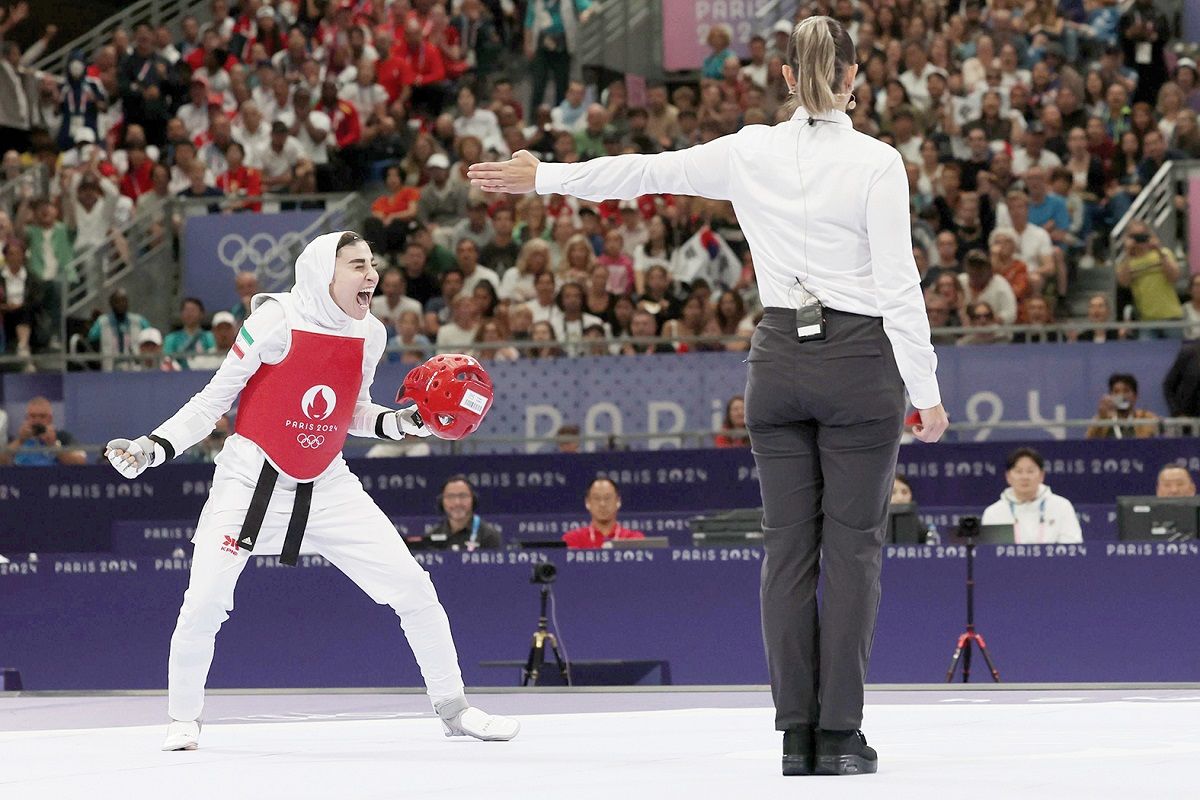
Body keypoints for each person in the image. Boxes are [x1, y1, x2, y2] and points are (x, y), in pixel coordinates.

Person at [470, 16, 948, 777]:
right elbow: (898, 283)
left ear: (785, 77)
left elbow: (643, 172)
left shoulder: (749, 151)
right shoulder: (877, 162)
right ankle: (838, 736)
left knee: (786, 551)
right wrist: (926, 390)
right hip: (860, 363)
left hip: (778, 359)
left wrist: (548, 176)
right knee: (852, 551)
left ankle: (795, 736)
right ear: (854, 77)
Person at [103, 232, 518, 751]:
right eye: (357, 265)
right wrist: (153, 447)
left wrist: (401, 423)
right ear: (324, 271)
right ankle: (183, 719)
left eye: (372, 264)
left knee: (414, 589)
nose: (372, 275)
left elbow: (353, 411)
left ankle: (455, 709)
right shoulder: (275, 320)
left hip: (327, 483)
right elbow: (214, 400)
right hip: (249, 481)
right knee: (204, 602)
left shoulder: (371, 333)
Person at [981, 447, 1082, 545]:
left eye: (1030, 471)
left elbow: (1072, 547)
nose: (1025, 477)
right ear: (1008, 477)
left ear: (1042, 475)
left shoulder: (1062, 506)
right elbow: (990, 553)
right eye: (1018, 471)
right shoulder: (994, 513)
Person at [415, 475, 502, 551]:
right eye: (450, 496)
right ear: (441, 501)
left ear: (473, 499)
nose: (457, 503)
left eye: (463, 496)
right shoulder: (432, 536)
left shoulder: (489, 536)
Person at [1, 396, 88, 467]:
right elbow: (2, 461)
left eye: (42, 416)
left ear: (50, 419)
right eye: (33, 416)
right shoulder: (17, 439)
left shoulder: (63, 437)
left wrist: (53, 446)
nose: (37, 420)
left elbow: (81, 462)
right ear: (27, 418)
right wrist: (20, 441)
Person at [560, 477, 646, 548]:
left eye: (607, 498)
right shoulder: (572, 540)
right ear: (587, 503)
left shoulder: (633, 539)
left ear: (618, 501)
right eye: (596, 498)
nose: (602, 504)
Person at [1086, 372, 1160, 439]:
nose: (1121, 396)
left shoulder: (1148, 418)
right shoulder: (1102, 420)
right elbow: (1089, 443)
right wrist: (1101, 419)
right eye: (1116, 392)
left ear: (1135, 396)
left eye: (1126, 391)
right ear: (1110, 396)